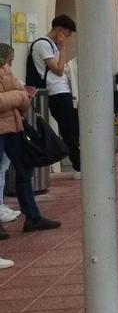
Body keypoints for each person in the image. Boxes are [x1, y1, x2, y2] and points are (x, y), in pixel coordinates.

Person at [0, 43, 61, 235]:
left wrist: (15, 96)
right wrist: (17, 96)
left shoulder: (5, 69)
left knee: (25, 169)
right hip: (4, 128)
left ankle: (33, 216)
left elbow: (24, 96)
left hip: (14, 127)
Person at [28, 15, 80, 179]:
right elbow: (58, 69)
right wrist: (63, 48)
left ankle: (78, 163)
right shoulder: (43, 44)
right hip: (55, 91)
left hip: (62, 90)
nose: (68, 36)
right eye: (68, 32)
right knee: (68, 130)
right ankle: (78, 165)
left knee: (73, 128)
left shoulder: (52, 45)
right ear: (60, 30)